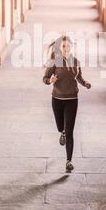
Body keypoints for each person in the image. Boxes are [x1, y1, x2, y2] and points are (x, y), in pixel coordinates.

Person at [43, 35, 91, 173]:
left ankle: (69, 161)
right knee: (60, 126)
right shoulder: (54, 62)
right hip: (57, 99)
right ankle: (61, 132)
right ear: (59, 47)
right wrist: (50, 80)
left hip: (72, 99)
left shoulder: (76, 62)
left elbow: (79, 78)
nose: (66, 48)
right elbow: (45, 78)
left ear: (71, 47)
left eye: (68, 46)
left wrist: (85, 83)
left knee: (70, 131)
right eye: (64, 46)